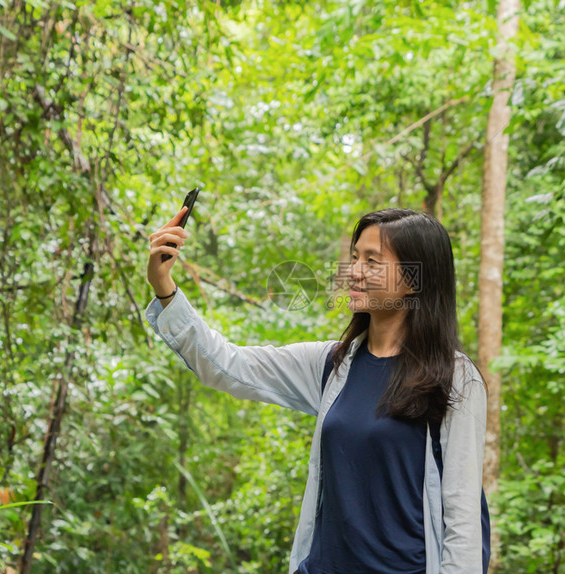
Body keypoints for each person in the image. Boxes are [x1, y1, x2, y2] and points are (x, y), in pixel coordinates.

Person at [146, 207, 487, 574]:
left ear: (414, 279)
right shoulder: (333, 365)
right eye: (355, 257)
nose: (354, 271)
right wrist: (165, 288)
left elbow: (463, 519)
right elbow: (229, 366)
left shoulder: (454, 378)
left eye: (373, 261)